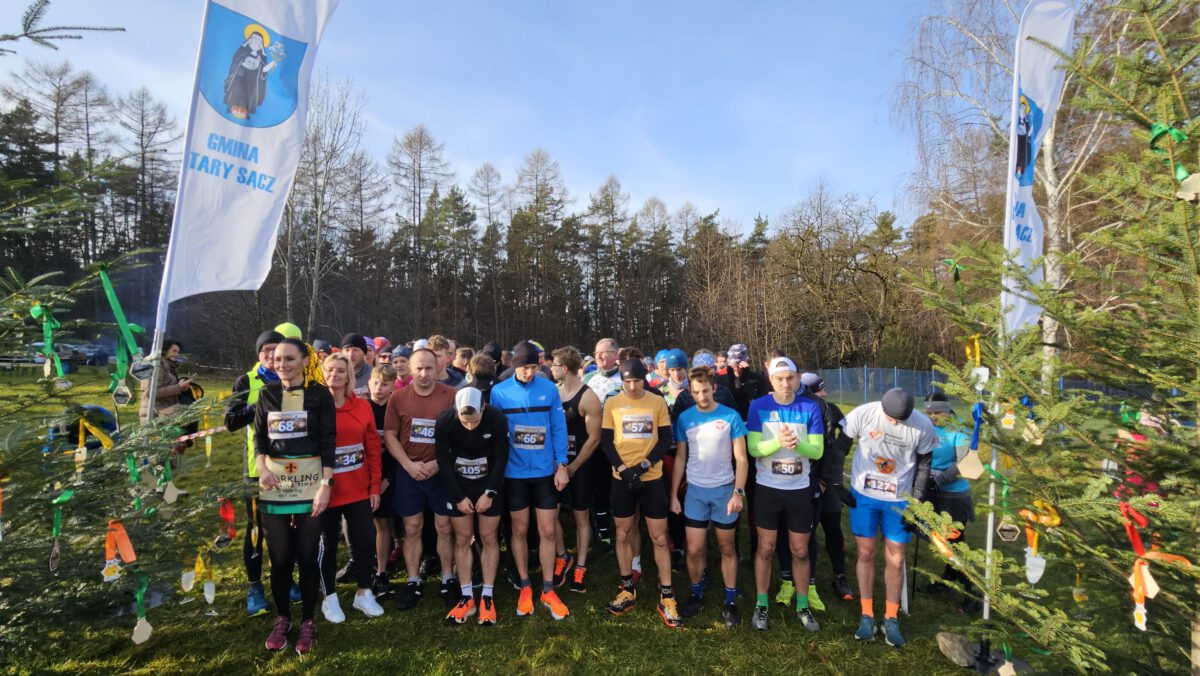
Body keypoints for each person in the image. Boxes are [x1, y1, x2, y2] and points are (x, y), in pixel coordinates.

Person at [253, 338, 336, 654]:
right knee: (280, 558)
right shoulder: (267, 394)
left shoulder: (320, 395)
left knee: (306, 555)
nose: (282, 364)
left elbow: (328, 441)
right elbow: (260, 439)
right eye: (277, 359)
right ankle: (283, 618)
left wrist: (326, 485)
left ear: (305, 361)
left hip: (310, 484)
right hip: (275, 485)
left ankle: (308, 620)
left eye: (289, 358)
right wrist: (262, 468)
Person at [843, 388, 937, 647]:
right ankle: (866, 615)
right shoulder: (864, 413)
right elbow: (841, 446)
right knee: (866, 553)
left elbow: (924, 465)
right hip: (865, 495)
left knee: (896, 560)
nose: (895, 423)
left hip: (898, 499)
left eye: (900, 420)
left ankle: (891, 618)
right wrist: (835, 483)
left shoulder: (922, 425)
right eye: (890, 418)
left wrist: (917, 504)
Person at [488, 341, 572, 619]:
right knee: (519, 531)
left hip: (545, 472)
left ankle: (548, 588)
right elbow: (496, 433)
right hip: (515, 475)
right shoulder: (499, 392)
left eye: (535, 367)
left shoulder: (549, 389)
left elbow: (558, 428)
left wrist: (562, 465)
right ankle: (525, 585)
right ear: (515, 366)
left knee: (547, 531)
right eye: (525, 368)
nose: (530, 373)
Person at [746, 357, 824, 632]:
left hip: (799, 490)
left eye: (790, 378)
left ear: (798, 378)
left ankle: (802, 606)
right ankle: (761, 605)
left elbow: (817, 451)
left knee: (800, 550)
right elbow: (754, 449)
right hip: (768, 488)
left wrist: (797, 444)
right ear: (771, 379)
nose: (785, 383)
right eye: (779, 378)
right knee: (766, 548)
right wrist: (778, 441)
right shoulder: (758, 406)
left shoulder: (810, 407)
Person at [602, 358, 681, 628]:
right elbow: (606, 441)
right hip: (621, 478)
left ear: (644, 379)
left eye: (637, 381)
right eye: (628, 382)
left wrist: (644, 466)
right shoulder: (612, 403)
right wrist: (624, 470)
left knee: (659, 537)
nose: (633, 386)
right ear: (622, 381)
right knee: (623, 533)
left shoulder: (656, 401)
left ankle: (667, 594)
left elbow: (665, 439)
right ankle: (627, 589)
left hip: (651, 478)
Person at [669, 366, 749, 626]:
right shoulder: (685, 418)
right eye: (696, 392)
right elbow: (680, 458)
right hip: (695, 493)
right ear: (690, 392)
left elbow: (741, 459)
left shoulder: (731, 416)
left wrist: (738, 493)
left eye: (705, 391)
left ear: (713, 388)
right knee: (694, 549)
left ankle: (730, 600)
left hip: (725, 491)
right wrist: (674, 495)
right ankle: (696, 594)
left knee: (727, 548)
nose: (701, 396)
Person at [383, 348, 459, 611]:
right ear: (410, 369)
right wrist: (408, 464)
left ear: (437, 367)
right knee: (412, 527)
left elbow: (460, 435)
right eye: (419, 368)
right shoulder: (398, 397)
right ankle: (413, 580)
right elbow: (390, 434)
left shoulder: (452, 395)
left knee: (444, 527)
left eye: (429, 368)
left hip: (441, 472)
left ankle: (448, 578)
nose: (424, 373)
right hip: (409, 472)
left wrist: (439, 463)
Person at [317, 353, 385, 622]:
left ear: (349, 376)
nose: (334, 375)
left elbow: (373, 447)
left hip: (358, 488)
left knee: (365, 541)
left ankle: (364, 593)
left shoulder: (362, 407)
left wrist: (375, 485)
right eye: (329, 370)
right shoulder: (315, 406)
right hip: (325, 490)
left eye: (340, 371)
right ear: (322, 373)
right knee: (327, 545)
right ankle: (329, 597)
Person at [437, 388, 509, 625]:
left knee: (488, 537)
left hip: (488, 483)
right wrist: (458, 497)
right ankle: (467, 597)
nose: (470, 427)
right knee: (462, 538)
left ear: (483, 409)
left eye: (475, 422)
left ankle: (487, 596)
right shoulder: (445, 421)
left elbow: (502, 458)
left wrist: (490, 493)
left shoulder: (497, 418)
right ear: (456, 411)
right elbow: (443, 462)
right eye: (464, 421)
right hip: (459, 484)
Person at [224, 329, 284, 616]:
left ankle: (285, 579)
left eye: (276, 349)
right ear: (258, 354)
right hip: (256, 470)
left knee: (285, 528)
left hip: (291, 468)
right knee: (256, 530)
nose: (272, 355)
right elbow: (231, 421)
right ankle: (254, 586)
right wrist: (259, 404)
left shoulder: (293, 378)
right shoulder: (246, 381)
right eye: (266, 350)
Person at [550, 346, 603, 593]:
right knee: (550, 514)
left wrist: (573, 467)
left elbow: (594, 439)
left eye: (554, 365)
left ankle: (580, 565)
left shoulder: (588, 397)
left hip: (580, 464)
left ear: (564, 368)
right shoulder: (554, 393)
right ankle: (563, 556)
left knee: (581, 516)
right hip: (557, 465)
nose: (550, 369)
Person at [922, 391, 979, 614]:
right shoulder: (925, 425)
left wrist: (941, 478)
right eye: (929, 413)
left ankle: (973, 593)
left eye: (937, 412)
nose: (933, 417)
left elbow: (966, 461)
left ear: (947, 409)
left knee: (954, 545)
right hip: (930, 491)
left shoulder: (960, 428)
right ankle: (947, 580)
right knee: (940, 542)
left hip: (953, 496)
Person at [366, 365, 400, 598]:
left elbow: (402, 447)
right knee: (362, 526)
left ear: (392, 387)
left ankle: (382, 571)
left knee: (383, 524)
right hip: (362, 476)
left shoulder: (394, 410)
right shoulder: (362, 408)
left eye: (385, 384)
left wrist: (387, 479)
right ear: (369, 383)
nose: (379, 388)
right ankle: (363, 566)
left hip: (388, 475)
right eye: (376, 382)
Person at [138, 339, 193, 423]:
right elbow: (151, 392)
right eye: (174, 351)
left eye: (178, 352)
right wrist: (178, 387)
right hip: (155, 415)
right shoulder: (156, 366)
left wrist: (181, 387)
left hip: (164, 410)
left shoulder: (166, 366)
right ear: (164, 350)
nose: (176, 354)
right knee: (191, 418)